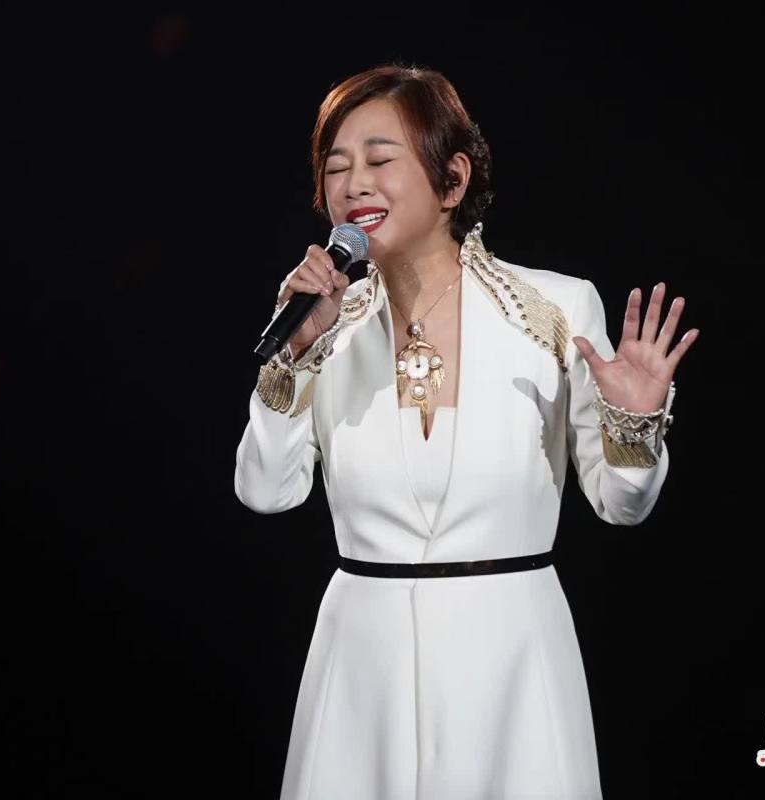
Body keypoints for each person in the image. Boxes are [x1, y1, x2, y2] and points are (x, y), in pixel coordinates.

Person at [234, 64, 699, 799]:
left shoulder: (556, 308)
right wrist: (293, 356)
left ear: (452, 180)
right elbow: (266, 491)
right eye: (337, 167)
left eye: (380, 160)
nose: (354, 185)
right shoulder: (326, 325)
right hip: (362, 665)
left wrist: (634, 421)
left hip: (512, 655)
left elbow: (622, 504)